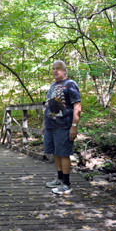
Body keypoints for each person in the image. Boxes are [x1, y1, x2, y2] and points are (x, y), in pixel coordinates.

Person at [41, 60, 81, 195]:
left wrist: (74, 126)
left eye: (58, 68)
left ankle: (67, 184)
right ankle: (59, 179)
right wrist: (44, 124)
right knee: (55, 152)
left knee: (63, 154)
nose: (55, 71)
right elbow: (47, 106)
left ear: (64, 70)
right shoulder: (52, 86)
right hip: (50, 126)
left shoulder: (70, 84)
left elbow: (77, 106)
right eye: (53, 68)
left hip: (63, 126)